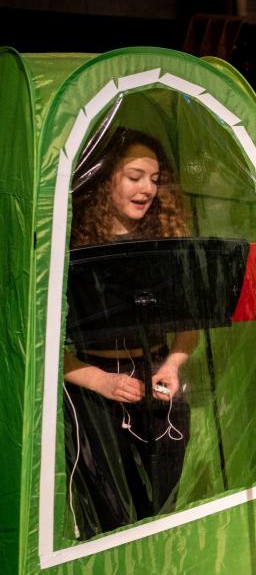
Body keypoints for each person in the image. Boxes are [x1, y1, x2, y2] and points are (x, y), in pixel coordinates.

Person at [62, 127, 195, 539]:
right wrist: (100, 380)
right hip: (91, 395)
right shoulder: (67, 246)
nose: (148, 189)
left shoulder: (166, 240)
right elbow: (36, 338)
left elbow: (189, 324)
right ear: (106, 179)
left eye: (155, 180)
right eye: (135, 176)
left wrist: (172, 365)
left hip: (157, 388)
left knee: (160, 508)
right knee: (108, 516)